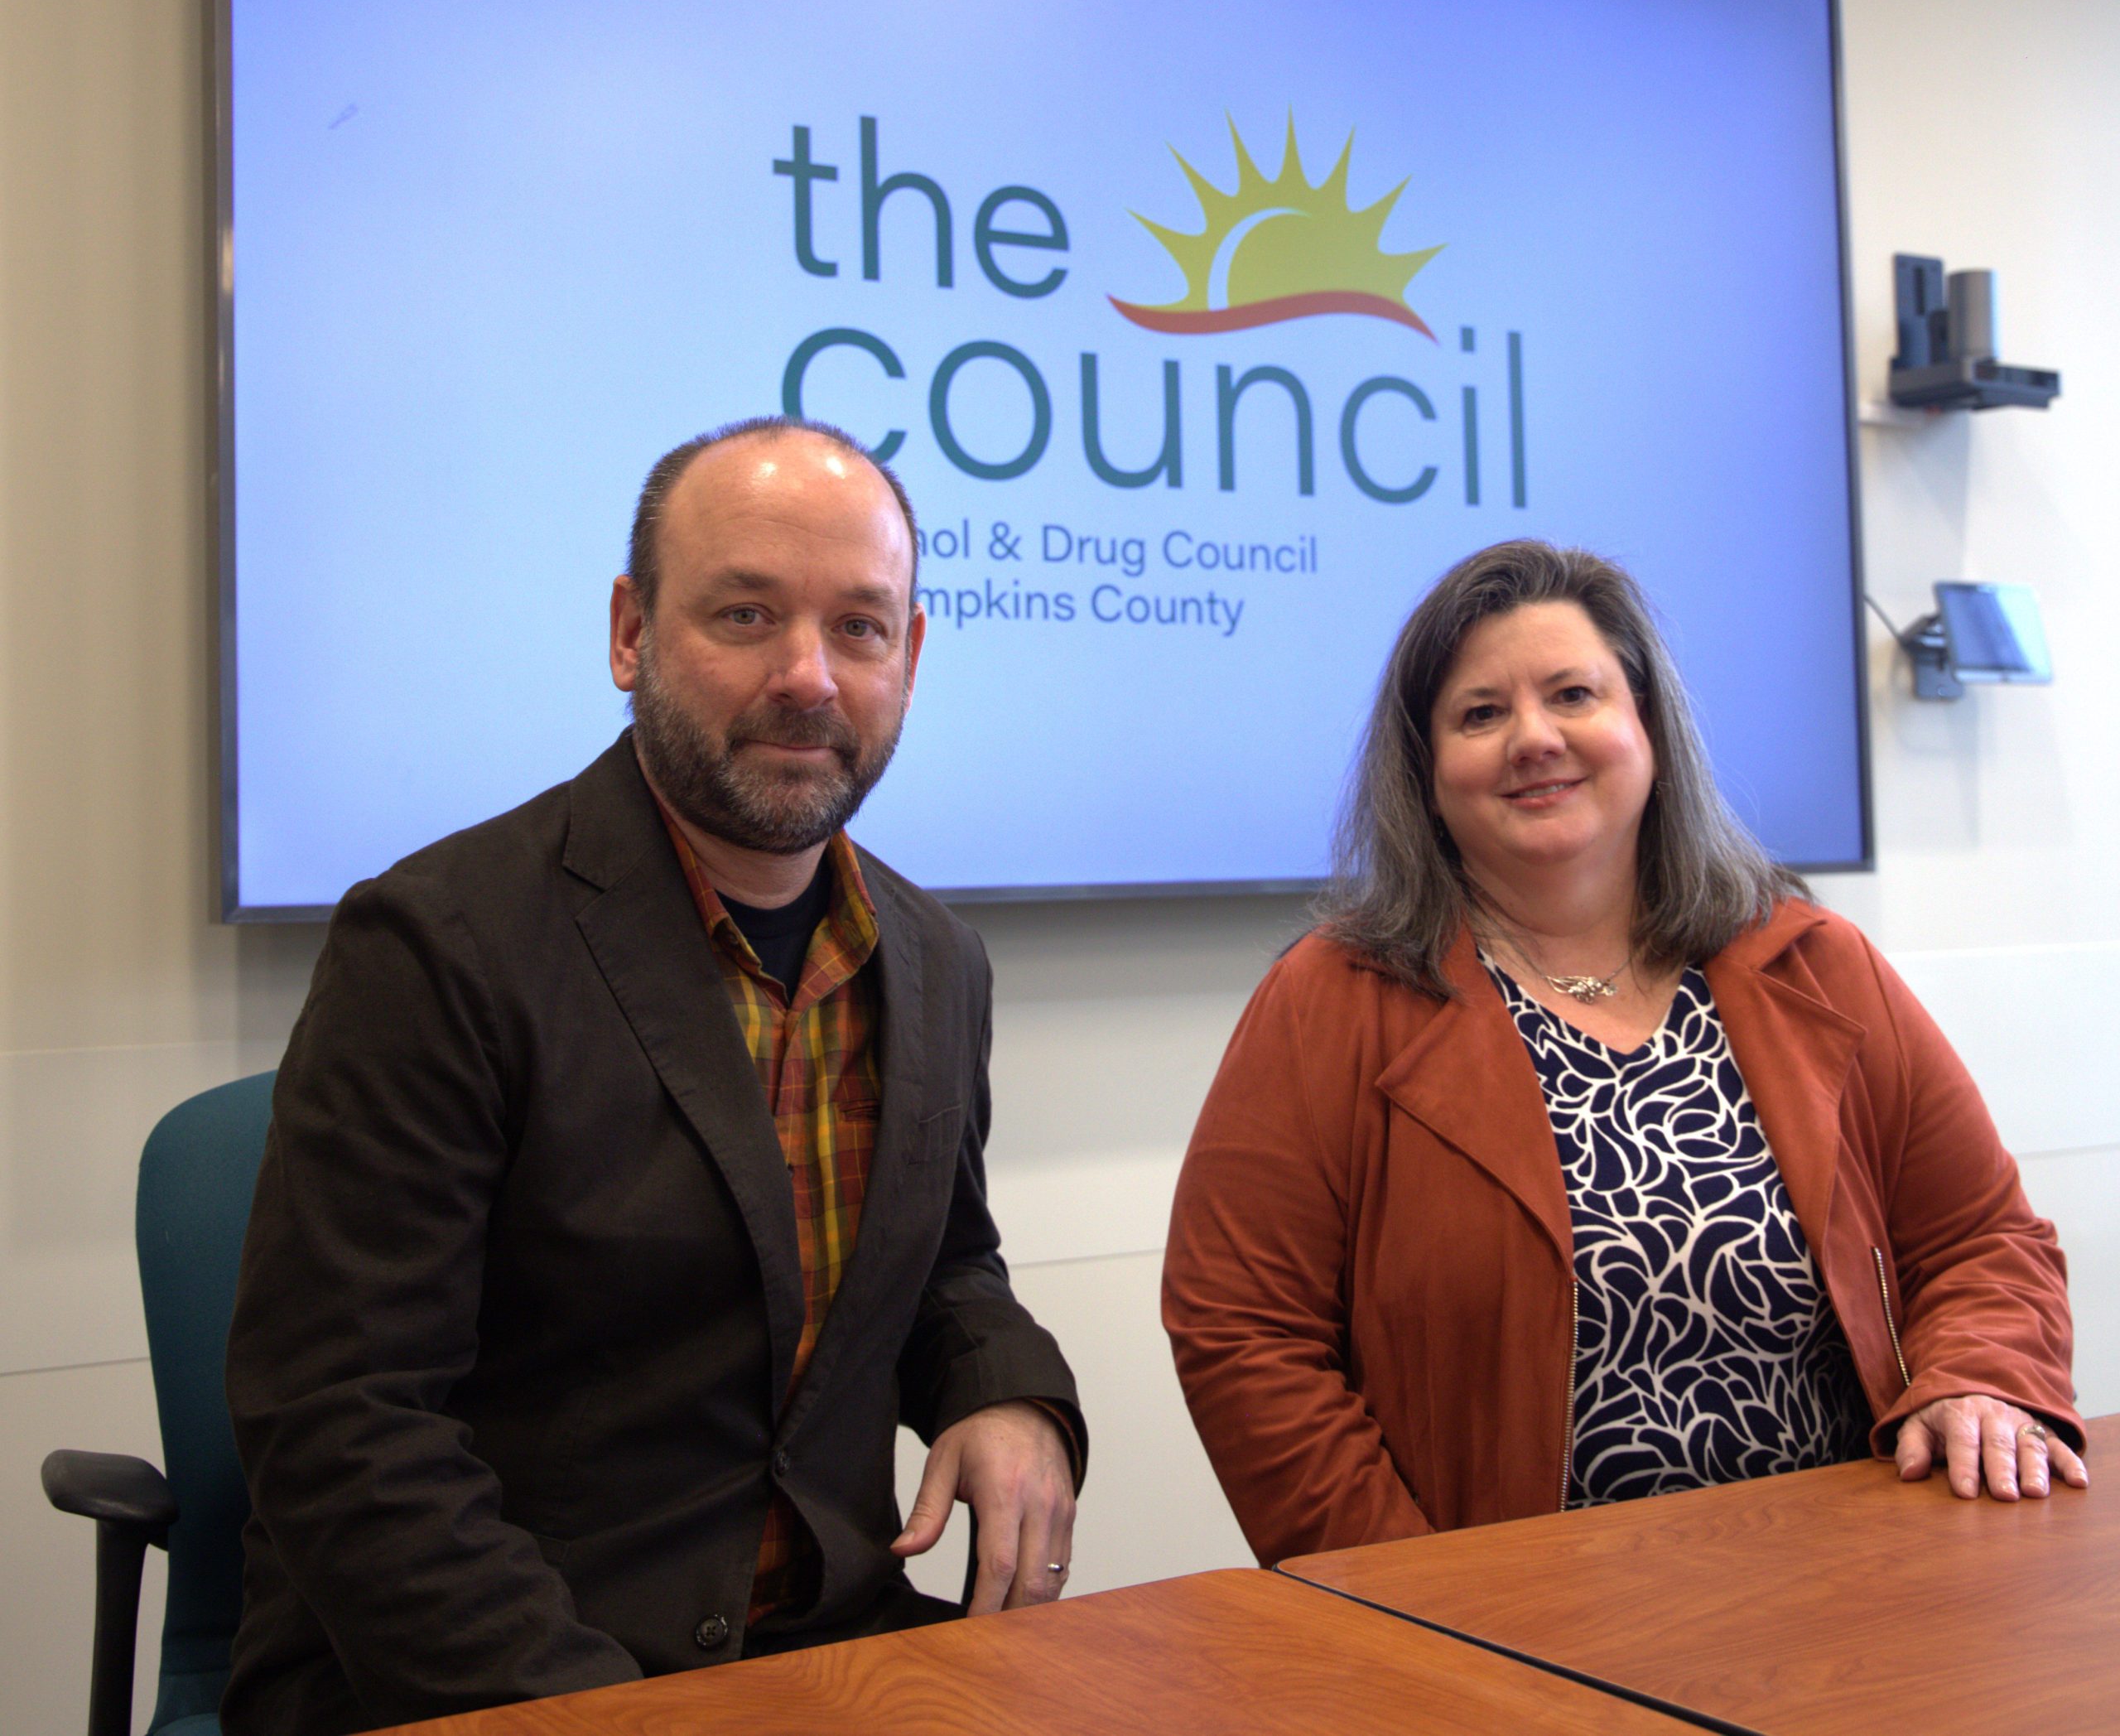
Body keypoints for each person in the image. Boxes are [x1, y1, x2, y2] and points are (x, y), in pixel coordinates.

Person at [224, 419, 1085, 1734]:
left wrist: (1005, 1386)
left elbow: (950, 1262)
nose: (809, 675)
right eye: (746, 613)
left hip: (822, 1654)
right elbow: (345, 1420)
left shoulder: (935, 958)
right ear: (629, 634)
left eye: (860, 628)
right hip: (492, 1677)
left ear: (908, 660)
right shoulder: (437, 943)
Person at [1162, 539, 2085, 1567]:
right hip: (1508, 1641)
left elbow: (1981, 1237)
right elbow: (1241, 1330)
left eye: (1572, 693)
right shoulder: (1332, 1001)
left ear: (1645, 727)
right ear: (1425, 773)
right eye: (1480, 714)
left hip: (1851, 1589)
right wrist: (1406, 1589)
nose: (1533, 738)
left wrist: (1977, 1373)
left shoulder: (1815, 964)